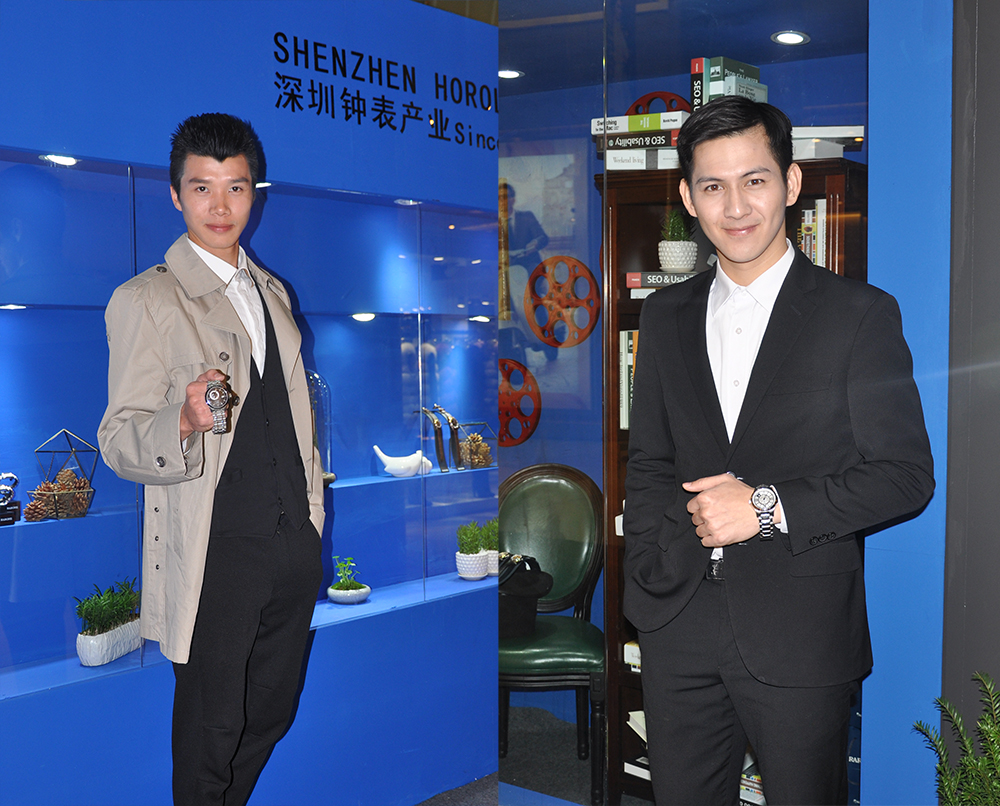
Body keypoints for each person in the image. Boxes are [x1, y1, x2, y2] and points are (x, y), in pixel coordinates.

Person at [622, 96, 934, 805]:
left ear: (791, 184)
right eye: (713, 185)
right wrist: (647, 571)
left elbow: (905, 476)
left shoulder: (859, 314)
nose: (736, 206)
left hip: (801, 629)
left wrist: (764, 507)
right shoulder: (665, 315)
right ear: (688, 199)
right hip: (676, 618)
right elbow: (650, 462)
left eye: (755, 180)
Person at [98, 112, 324, 805]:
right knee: (211, 733)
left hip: (291, 545)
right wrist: (184, 420)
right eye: (202, 188)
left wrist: (311, 522)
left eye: (236, 187)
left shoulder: (273, 293)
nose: (220, 206)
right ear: (176, 195)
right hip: (214, 552)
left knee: (271, 713)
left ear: (255, 192)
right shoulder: (147, 300)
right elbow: (118, 438)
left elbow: (297, 422)